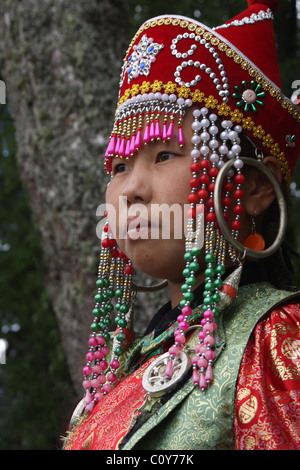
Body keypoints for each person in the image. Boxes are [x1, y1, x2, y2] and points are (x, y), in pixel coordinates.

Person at [63, 0, 300, 450]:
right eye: (117, 166)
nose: (130, 188)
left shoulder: (275, 343)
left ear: (254, 187)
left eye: (164, 155)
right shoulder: (129, 367)